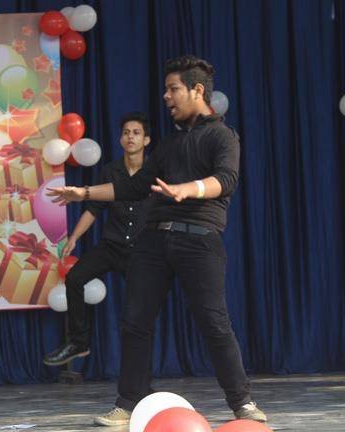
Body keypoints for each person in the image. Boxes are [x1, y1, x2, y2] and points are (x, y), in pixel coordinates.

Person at [47, 55, 268, 426]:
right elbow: (133, 186)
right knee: (135, 322)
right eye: (166, 89)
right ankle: (127, 403)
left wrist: (187, 189)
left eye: (173, 89)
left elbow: (225, 180)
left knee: (214, 323)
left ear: (197, 90)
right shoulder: (168, 145)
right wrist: (83, 193)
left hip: (199, 239)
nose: (166, 96)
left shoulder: (223, 136)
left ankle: (242, 402)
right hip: (153, 242)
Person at [43, 112, 151, 367]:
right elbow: (93, 209)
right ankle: (79, 343)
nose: (130, 137)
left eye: (136, 133)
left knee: (140, 306)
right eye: (126, 133)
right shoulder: (110, 171)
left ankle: (139, 366)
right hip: (111, 245)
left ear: (146, 140)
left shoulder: (154, 172)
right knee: (74, 278)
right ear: (120, 139)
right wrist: (74, 238)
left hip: (140, 250)